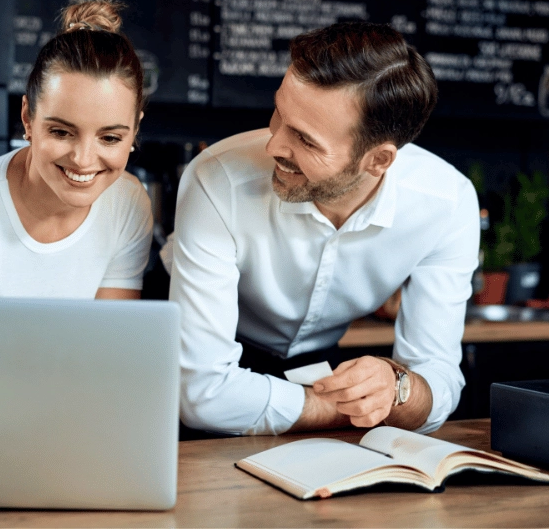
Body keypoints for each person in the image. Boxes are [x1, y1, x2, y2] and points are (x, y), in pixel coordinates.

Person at [166, 22, 480, 435]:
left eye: (305, 140)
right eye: (279, 112)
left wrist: (396, 388)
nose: (273, 145)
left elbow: (437, 374)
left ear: (378, 160)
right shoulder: (218, 180)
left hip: (314, 368)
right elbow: (202, 394)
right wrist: (351, 410)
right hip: (190, 345)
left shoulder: (446, 203)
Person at [0, 0, 152, 299]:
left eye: (110, 138)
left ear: (135, 130)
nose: (83, 160)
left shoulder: (127, 203)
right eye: (61, 132)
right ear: (28, 118)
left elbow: (113, 338)